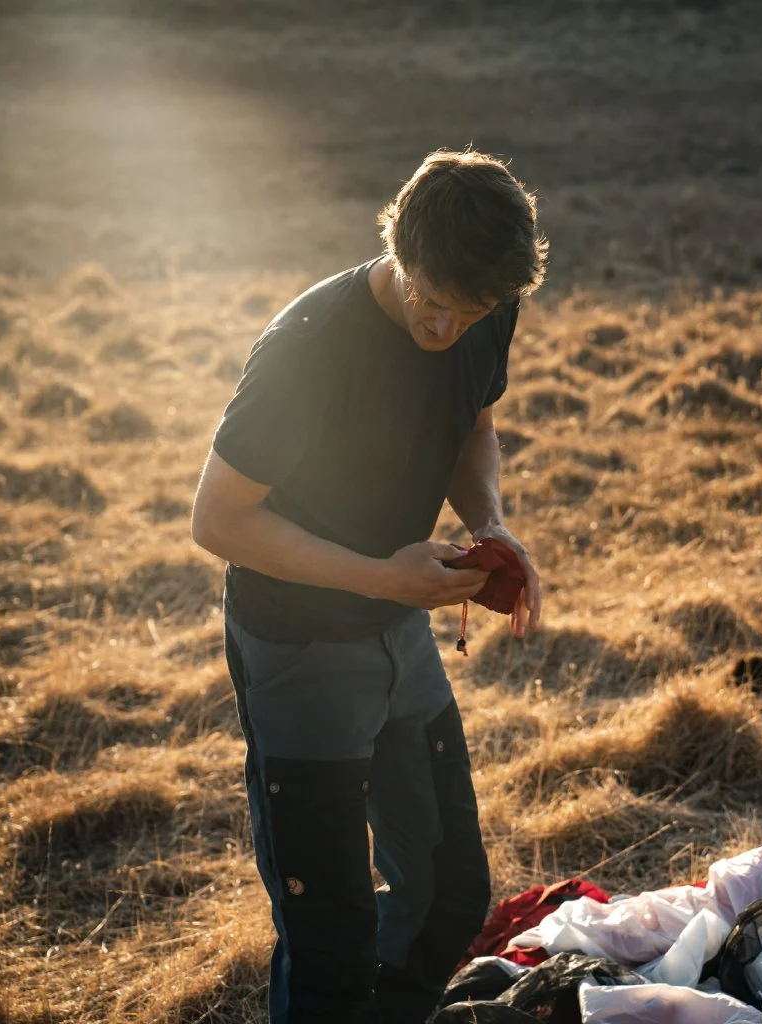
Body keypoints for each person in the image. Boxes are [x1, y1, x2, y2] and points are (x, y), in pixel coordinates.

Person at [191, 148, 547, 1024]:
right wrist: (381, 578)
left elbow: (473, 424)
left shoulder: (481, 307)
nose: (448, 330)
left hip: (399, 633)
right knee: (331, 940)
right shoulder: (309, 351)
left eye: (473, 314)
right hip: (298, 646)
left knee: (450, 895)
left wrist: (489, 523)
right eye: (432, 305)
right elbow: (218, 521)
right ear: (395, 241)